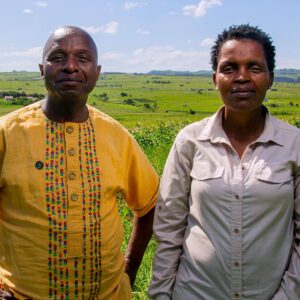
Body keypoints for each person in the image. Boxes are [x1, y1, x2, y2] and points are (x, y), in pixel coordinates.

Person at [0, 26, 159, 299]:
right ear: (42, 69)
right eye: (58, 57)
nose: (70, 67)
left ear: (96, 72)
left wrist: (129, 271)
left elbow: (149, 206)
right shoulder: (7, 133)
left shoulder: (116, 136)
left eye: (82, 58)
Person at [149, 24, 300, 300]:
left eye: (254, 67)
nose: (241, 77)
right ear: (215, 78)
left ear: (271, 78)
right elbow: (169, 230)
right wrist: (160, 294)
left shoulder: (294, 145)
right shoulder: (190, 141)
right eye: (229, 68)